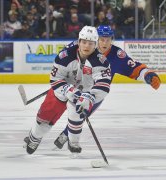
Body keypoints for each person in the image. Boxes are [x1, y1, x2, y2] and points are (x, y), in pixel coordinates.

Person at [53, 25, 161, 150]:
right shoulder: (81, 47)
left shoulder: (116, 55)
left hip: (95, 92)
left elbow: (133, 67)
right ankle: (40, 129)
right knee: (56, 105)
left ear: (112, 40)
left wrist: (147, 75)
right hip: (74, 85)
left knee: (80, 114)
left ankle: (66, 135)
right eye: (101, 39)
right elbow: (63, 60)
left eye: (108, 39)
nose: (105, 42)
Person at [24, 26, 111, 154]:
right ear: (79, 41)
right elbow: (55, 79)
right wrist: (68, 90)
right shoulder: (65, 55)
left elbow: (104, 85)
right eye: (84, 42)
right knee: (47, 113)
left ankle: (73, 142)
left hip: (86, 90)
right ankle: (35, 137)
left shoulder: (101, 61)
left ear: (96, 44)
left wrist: (90, 97)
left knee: (77, 113)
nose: (87, 46)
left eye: (91, 43)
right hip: (64, 87)